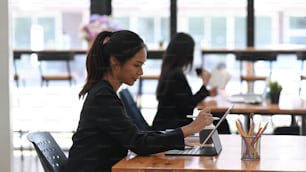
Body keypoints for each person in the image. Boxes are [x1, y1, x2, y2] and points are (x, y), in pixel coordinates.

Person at [62, 30, 214, 172]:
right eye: (136, 65)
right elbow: (139, 143)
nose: (140, 72)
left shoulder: (104, 93)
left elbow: (135, 138)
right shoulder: (103, 97)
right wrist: (190, 128)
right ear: (115, 62)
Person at [152, 32, 219, 131]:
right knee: (220, 123)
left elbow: (185, 101)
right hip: (171, 129)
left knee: (218, 121)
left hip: (167, 125)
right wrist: (205, 84)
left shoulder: (169, 71)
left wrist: (207, 92)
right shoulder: (176, 75)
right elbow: (188, 107)